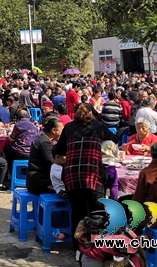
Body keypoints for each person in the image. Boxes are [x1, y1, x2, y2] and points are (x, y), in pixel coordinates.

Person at [58, 103, 117, 252]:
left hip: (72, 175)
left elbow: (58, 149)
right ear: (92, 113)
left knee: (77, 212)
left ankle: (78, 248)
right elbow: (114, 138)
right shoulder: (97, 126)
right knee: (96, 212)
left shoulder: (69, 127)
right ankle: (95, 248)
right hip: (93, 174)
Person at [26, 116, 63, 195]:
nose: (63, 133)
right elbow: (51, 163)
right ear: (54, 130)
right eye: (61, 130)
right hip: (38, 182)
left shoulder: (45, 140)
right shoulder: (44, 143)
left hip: (37, 179)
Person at [4, 110, 39, 183]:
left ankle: (9, 173)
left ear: (18, 118)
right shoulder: (34, 126)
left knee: (6, 148)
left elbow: (11, 139)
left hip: (20, 152)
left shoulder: (18, 125)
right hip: (31, 152)